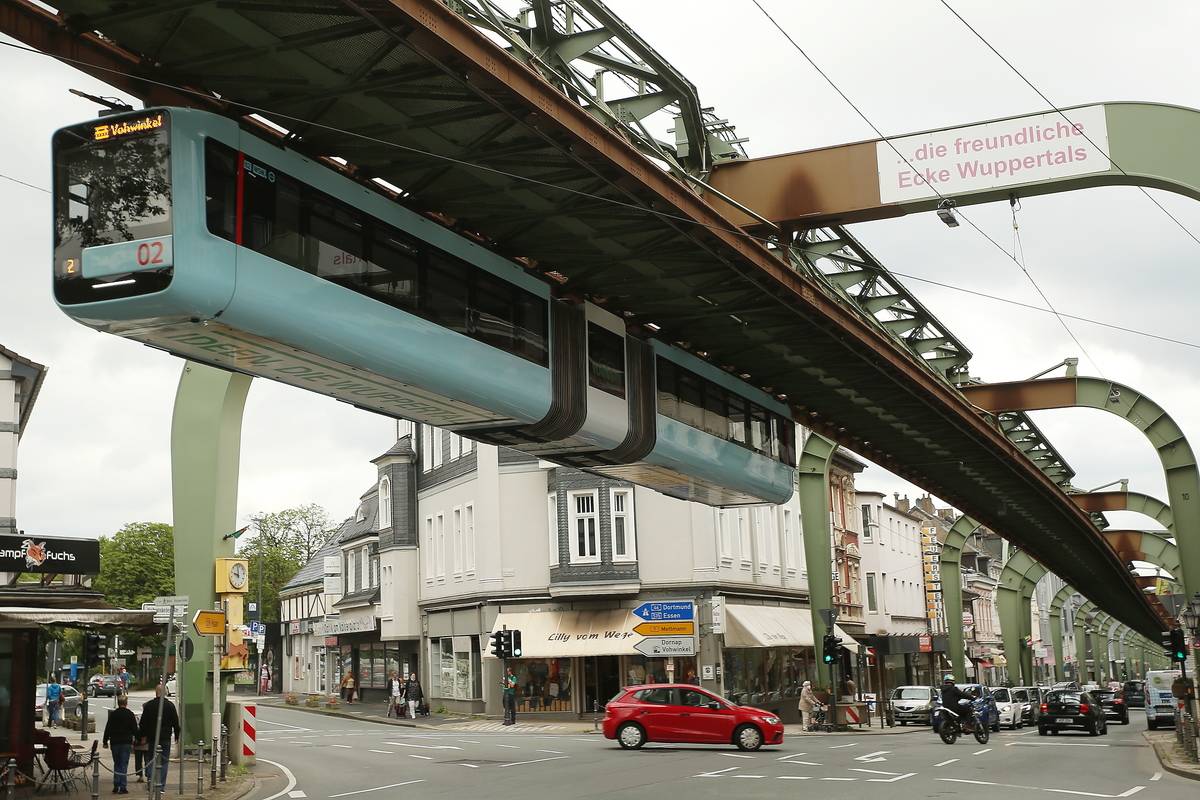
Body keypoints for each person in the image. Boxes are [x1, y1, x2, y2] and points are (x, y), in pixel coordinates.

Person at [138, 685, 180, 790]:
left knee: (151, 759)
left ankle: (151, 782)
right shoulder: (170, 706)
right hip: (165, 738)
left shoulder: (149, 706)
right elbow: (175, 722)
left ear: (155, 692)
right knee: (164, 761)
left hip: (152, 738)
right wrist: (177, 736)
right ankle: (160, 786)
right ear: (165, 693)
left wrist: (142, 736)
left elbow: (143, 723)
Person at [103, 694, 138, 794]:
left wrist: (105, 741)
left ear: (118, 703)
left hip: (115, 742)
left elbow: (108, 728)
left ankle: (116, 784)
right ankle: (123, 786)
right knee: (124, 764)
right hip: (126, 742)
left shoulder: (113, 714)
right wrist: (138, 739)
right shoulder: (130, 714)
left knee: (117, 763)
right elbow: (134, 729)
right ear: (126, 703)